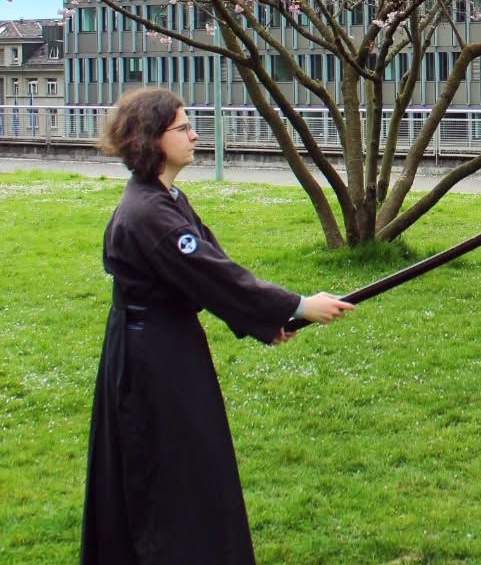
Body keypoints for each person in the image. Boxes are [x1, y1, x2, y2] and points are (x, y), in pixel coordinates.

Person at [81, 88, 353, 565]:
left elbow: (210, 265)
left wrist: (270, 319)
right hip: (153, 364)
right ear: (152, 138)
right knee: (168, 470)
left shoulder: (166, 198)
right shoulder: (149, 214)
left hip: (167, 346)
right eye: (183, 128)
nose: (194, 134)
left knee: (192, 462)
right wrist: (298, 305)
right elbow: (213, 275)